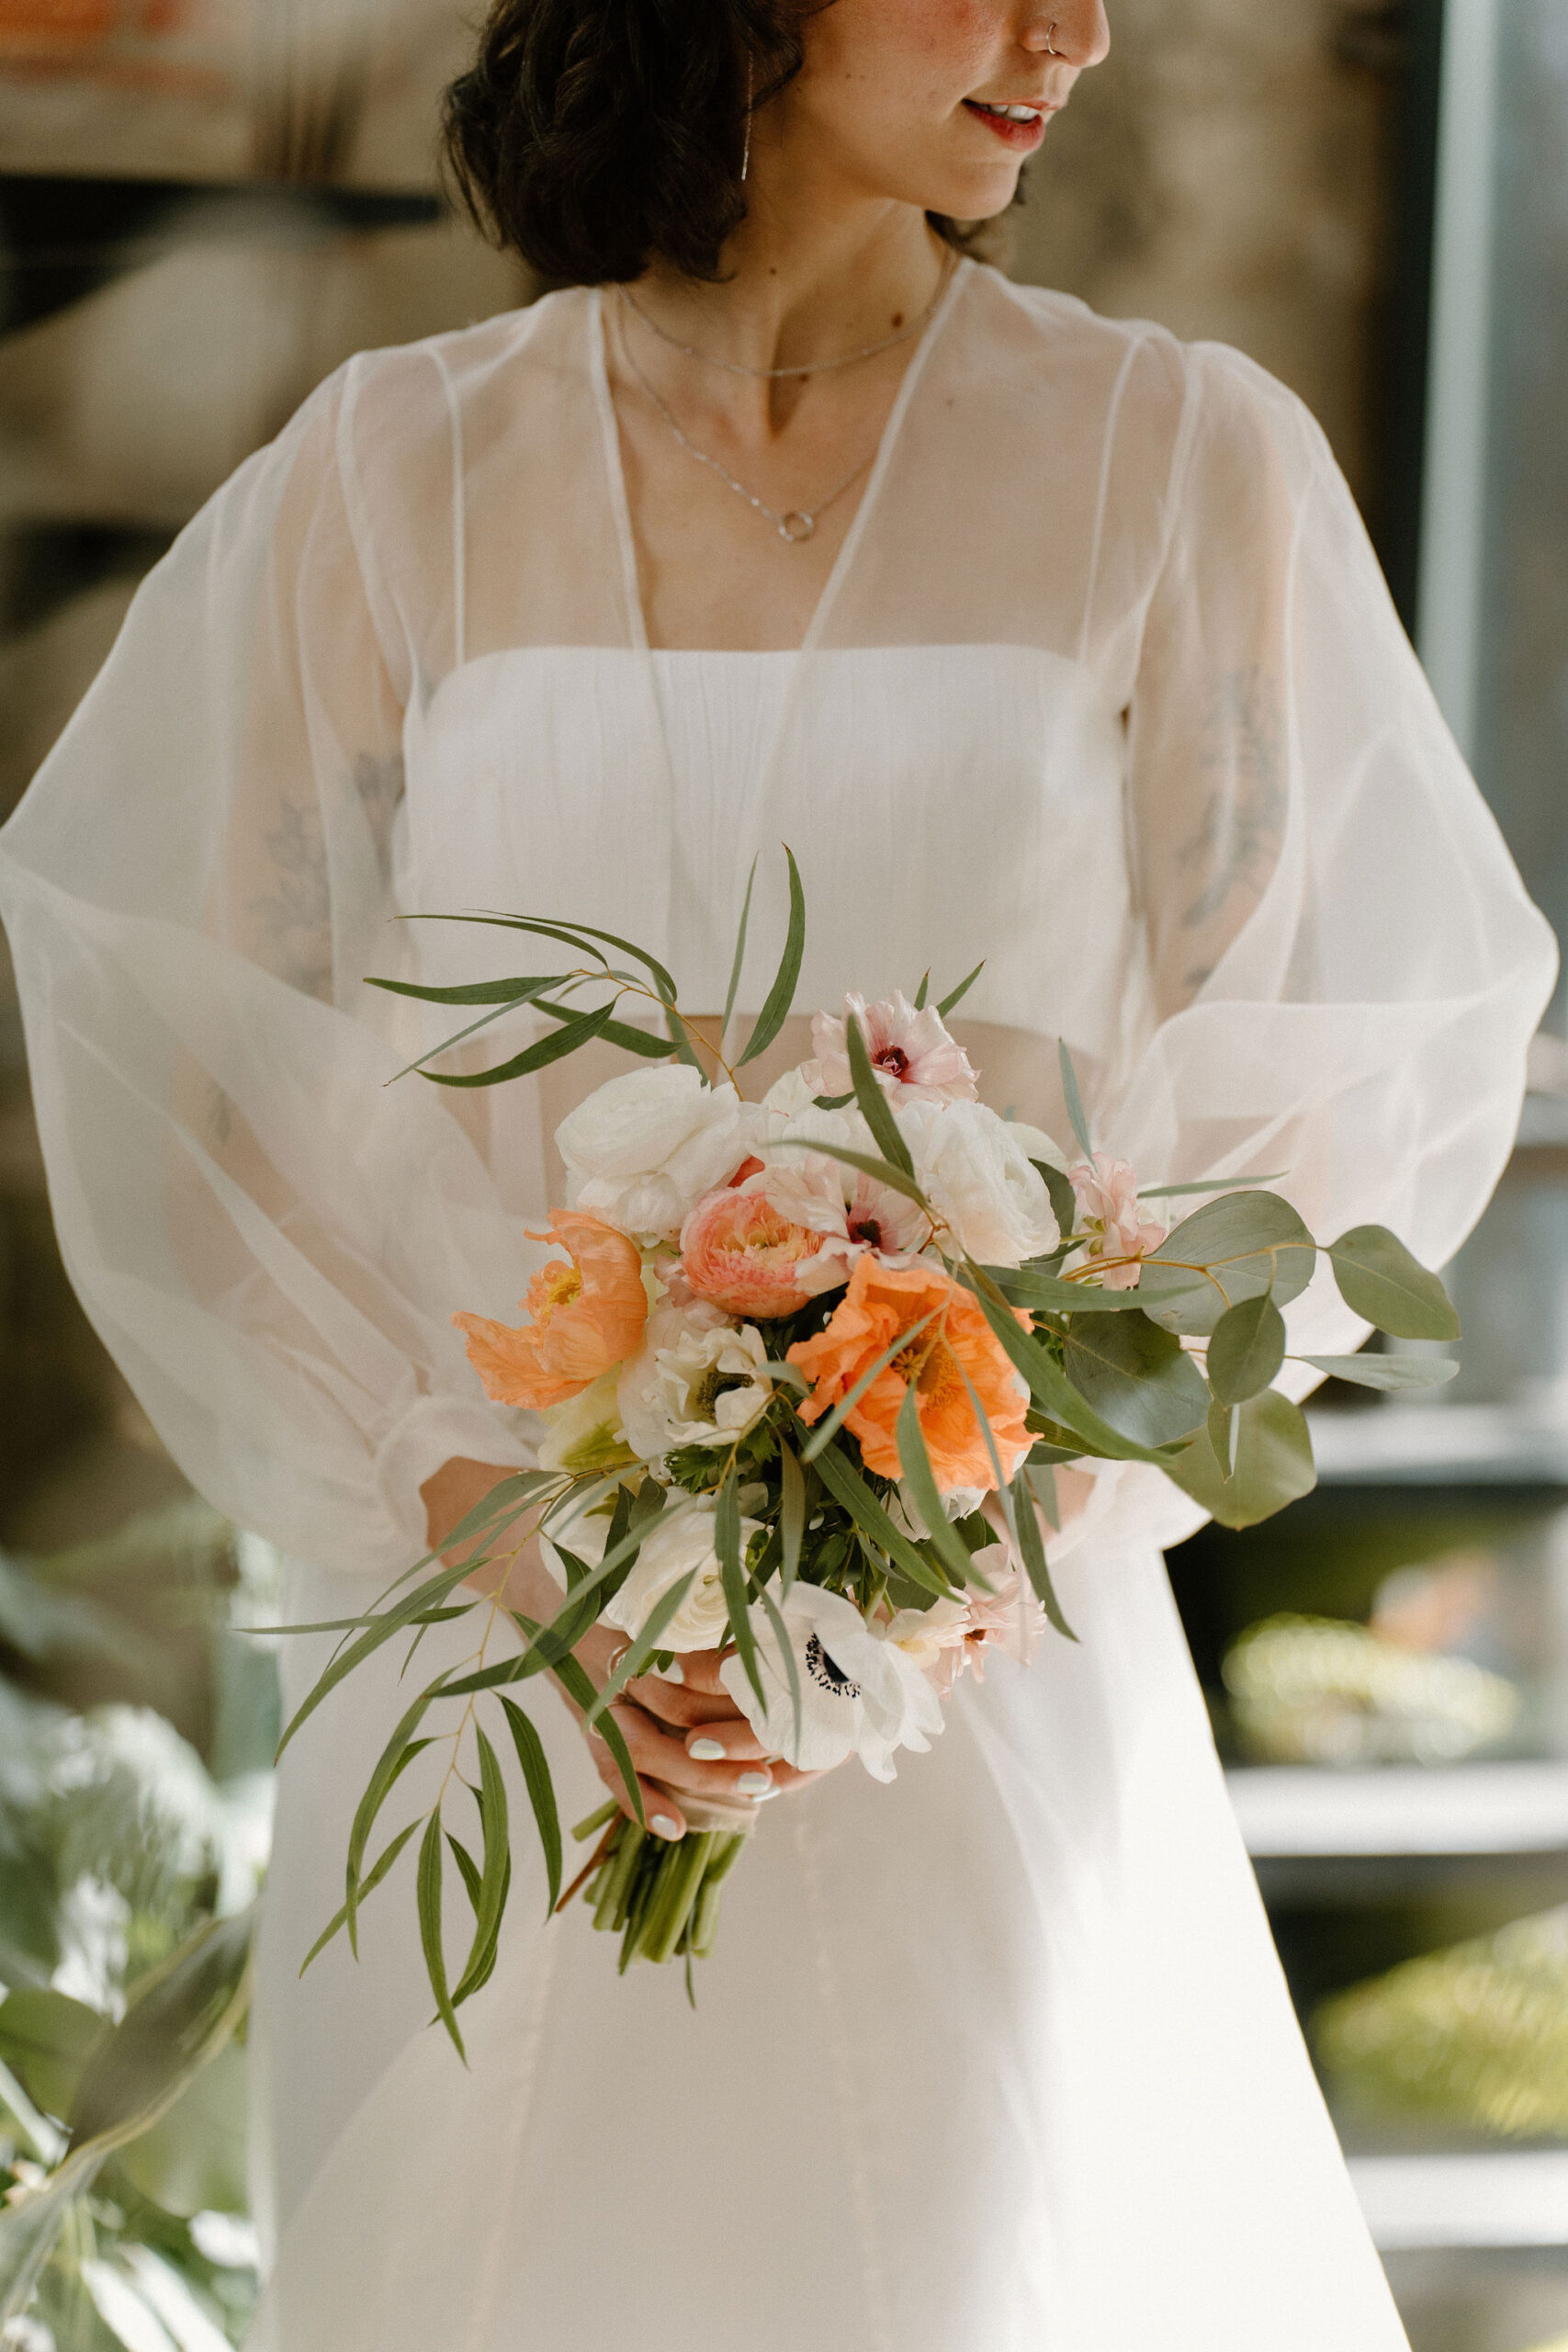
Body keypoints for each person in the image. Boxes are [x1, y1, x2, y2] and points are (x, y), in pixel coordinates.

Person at [0, 2, 1554, 2345]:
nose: (1080, 30)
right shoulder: (386, 474)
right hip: (495, 1681)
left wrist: (932, 1539)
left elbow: (1335, 1064)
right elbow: (210, 1076)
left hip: (967, 1661)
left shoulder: (1176, 457)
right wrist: (516, 1536)